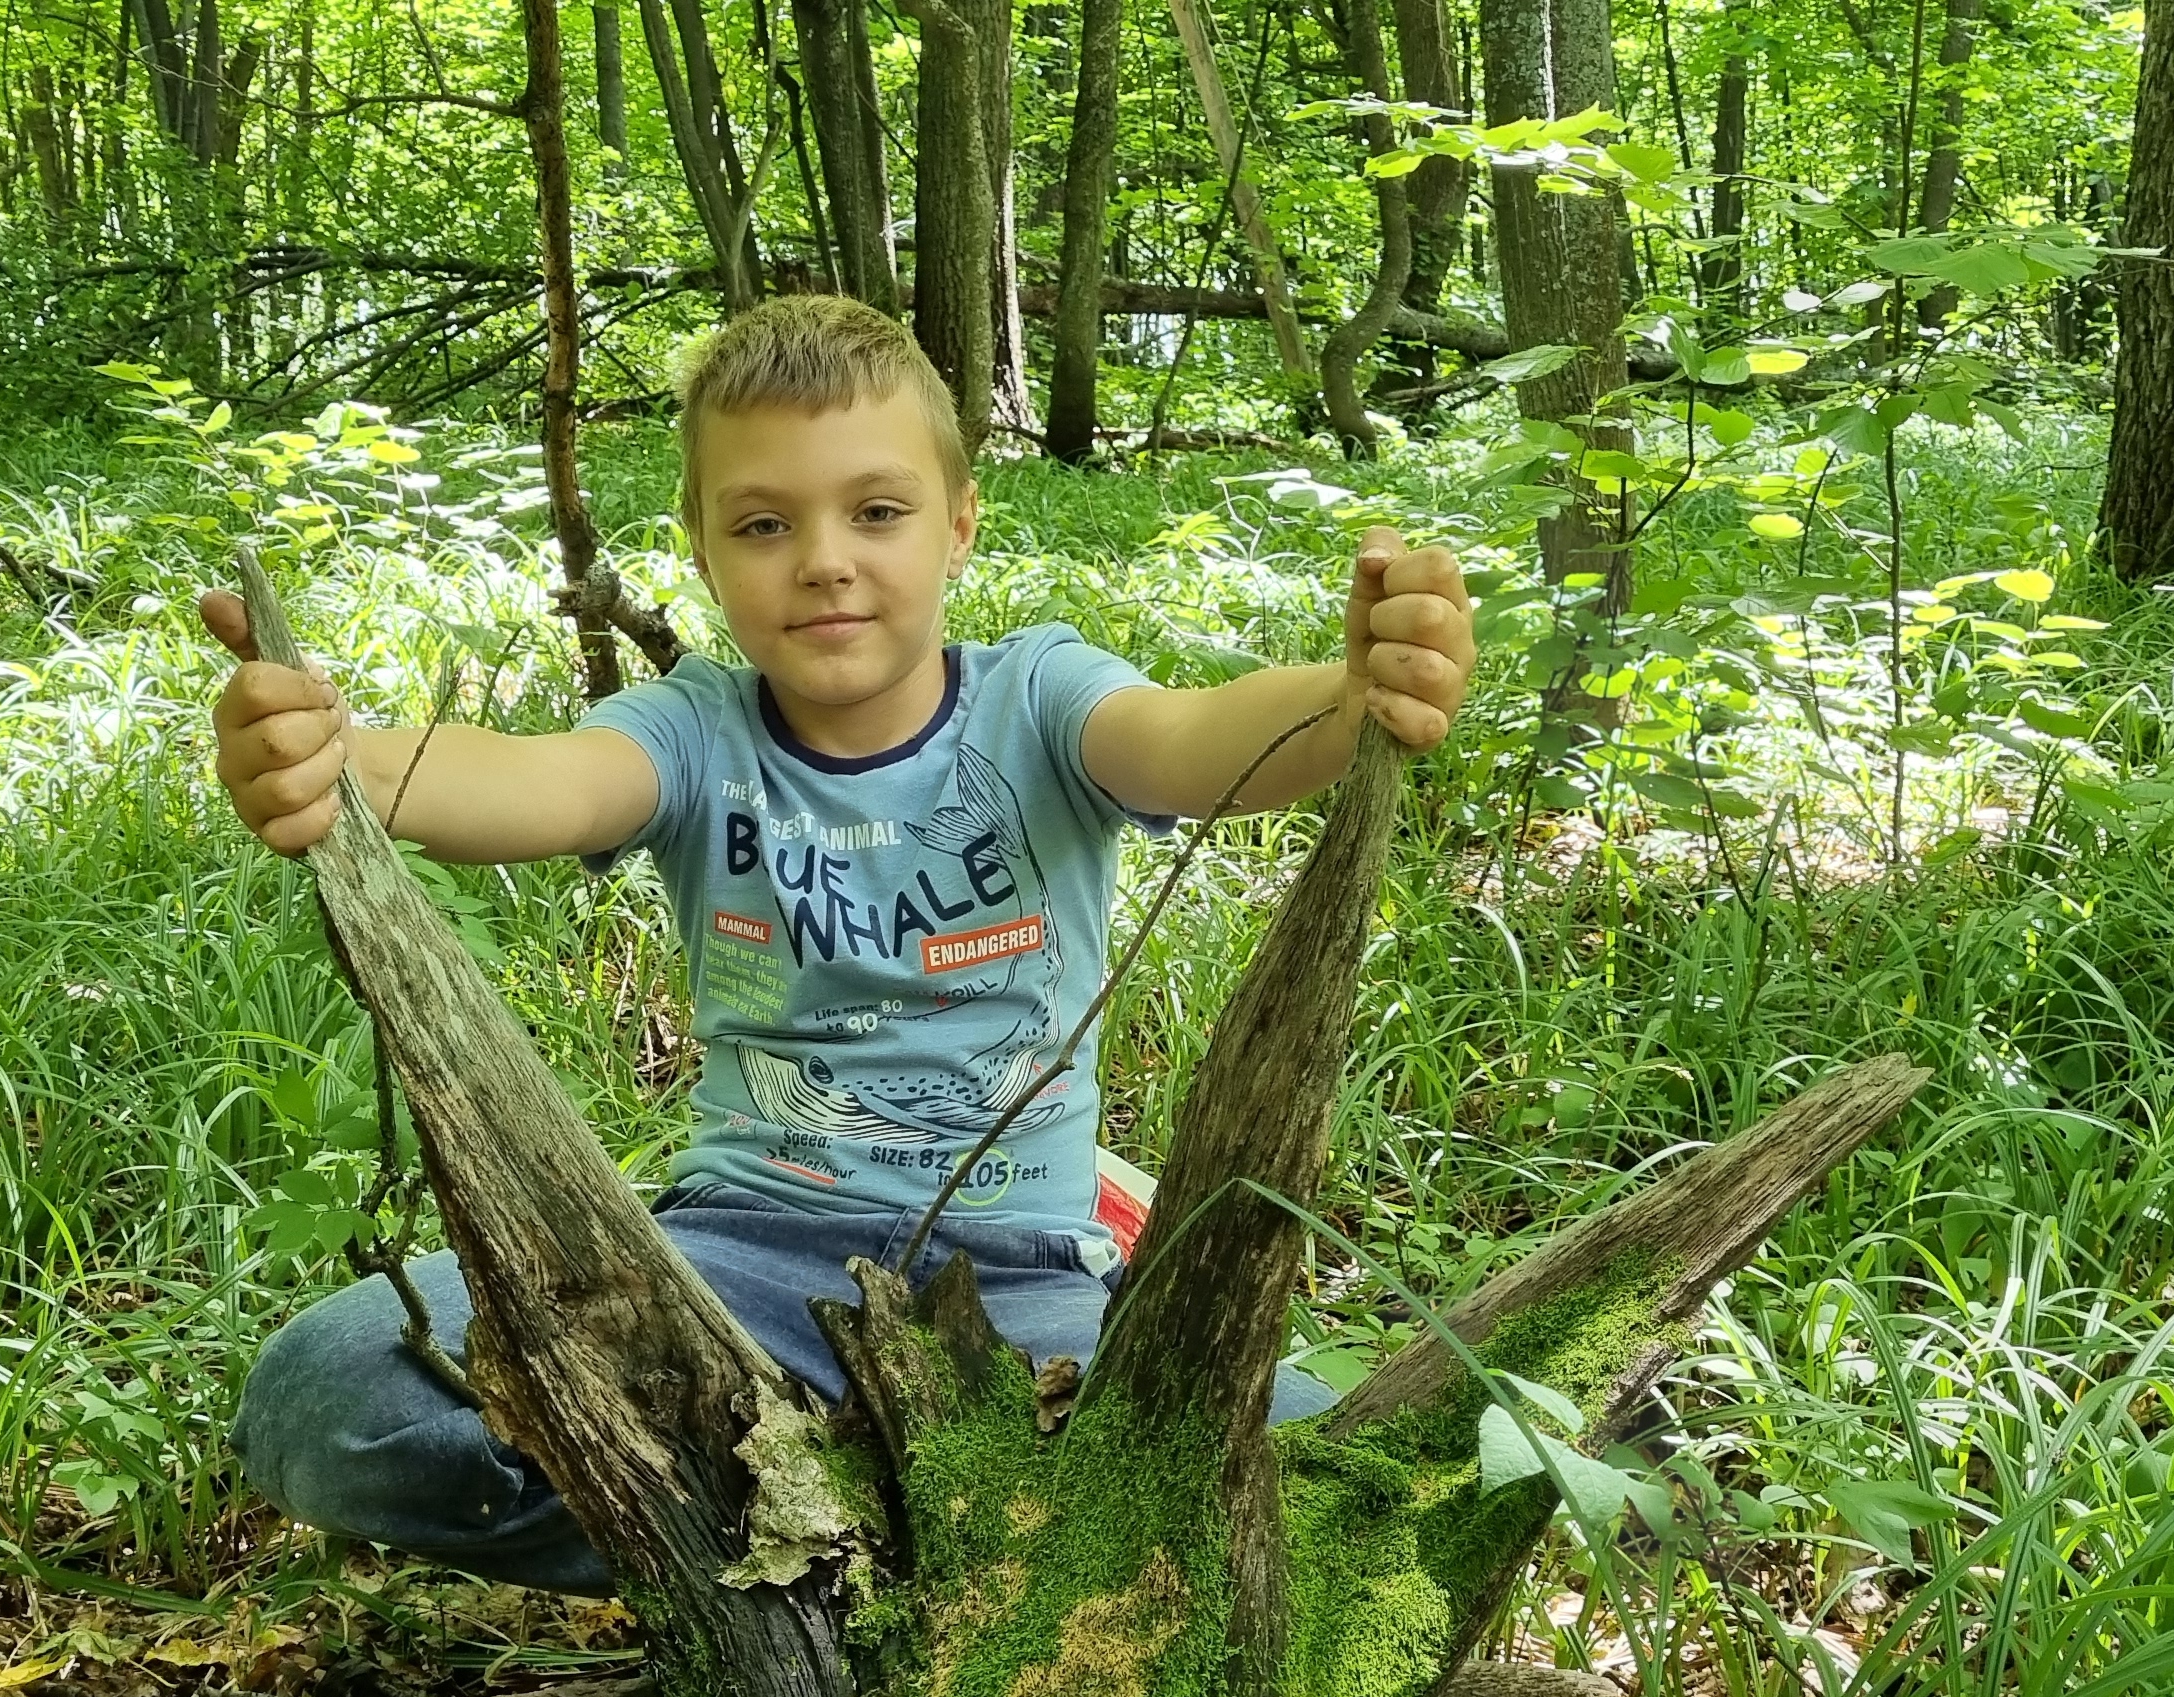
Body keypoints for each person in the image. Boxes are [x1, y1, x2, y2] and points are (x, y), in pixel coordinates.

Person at [204, 295, 1477, 1593]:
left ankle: (878, 1525)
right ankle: (865, 1546)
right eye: (764, 523)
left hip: (1017, 1286)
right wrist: (342, 759)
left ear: (959, 522)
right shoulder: (697, 733)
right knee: (334, 1397)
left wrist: (1349, 689)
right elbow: (537, 782)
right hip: (731, 1274)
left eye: (877, 511)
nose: (824, 559)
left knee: (1344, 1483)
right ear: (704, 554)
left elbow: (1201, 740)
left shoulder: (1040, 701)